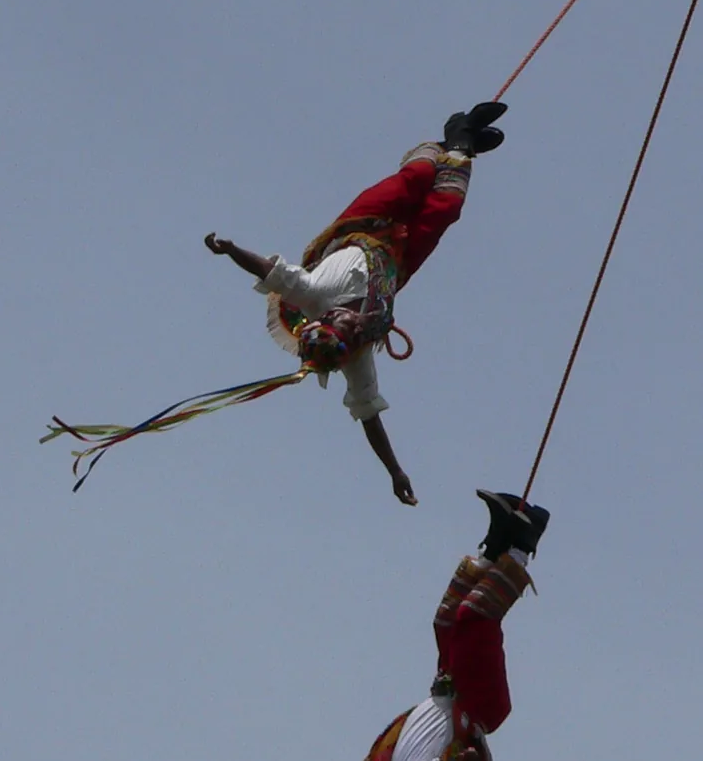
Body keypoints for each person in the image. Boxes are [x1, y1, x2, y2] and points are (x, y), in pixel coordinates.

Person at [203, 103, 506, 502]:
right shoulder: (356, 355)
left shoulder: (312, 296)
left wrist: (230, 250)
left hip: (358, 227)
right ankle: (462, 146)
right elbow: (369, 416)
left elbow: (268, 271)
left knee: (415, 179)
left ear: (328, 318)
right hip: (397, 261)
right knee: (445, 208)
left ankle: (449, 137)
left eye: (342, 321)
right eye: (352, 330)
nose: (351, 322)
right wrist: (395, 471)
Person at [293, 489, 548, 761]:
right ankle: (522, 544)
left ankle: (498, 540)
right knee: (473, 619)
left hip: (452, 687)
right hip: (475, 701)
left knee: (446, 620)